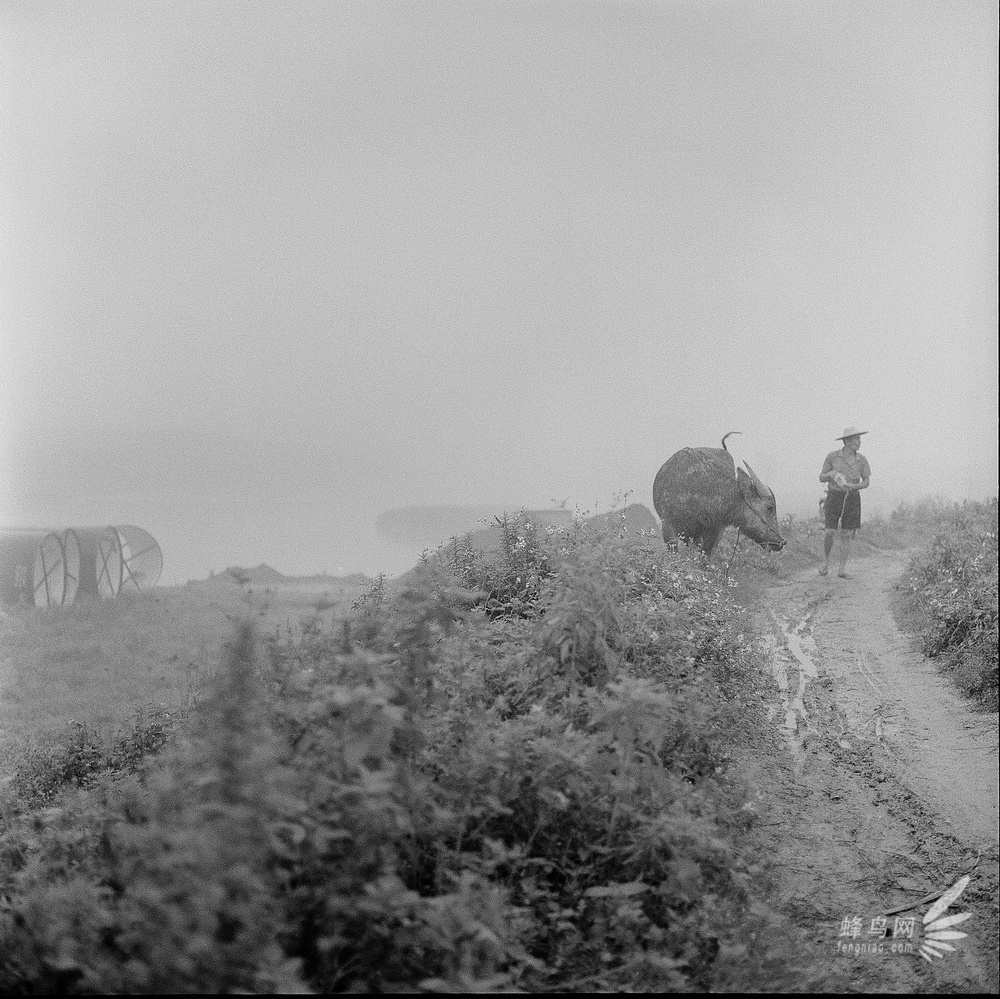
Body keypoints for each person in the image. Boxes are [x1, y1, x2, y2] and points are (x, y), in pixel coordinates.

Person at [819, 427, 871, 578]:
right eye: (855, 439)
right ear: (846, 441)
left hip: (852, 497)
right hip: (834, 495)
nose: (858, 442)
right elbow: (821, 477)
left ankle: (842, 569)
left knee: (847, 533)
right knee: (829, 531)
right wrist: (832, 475)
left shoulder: (862, 460)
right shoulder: (833, 457)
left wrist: (854, 486)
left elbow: (866, 481)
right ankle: (825, 562)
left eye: (859, 439)